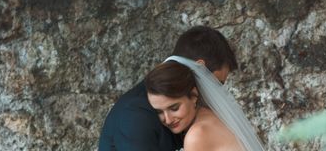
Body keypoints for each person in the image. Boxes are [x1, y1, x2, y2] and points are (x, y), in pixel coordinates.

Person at [98, 26, 238, 151]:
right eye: (217, 83)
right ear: (200, 68)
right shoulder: (135, 114)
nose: (217, 92)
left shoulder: (199, 117)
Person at [144, 56, 265, 151]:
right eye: (159, 111)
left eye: (174, 108)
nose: (168, 119)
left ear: (193, 95)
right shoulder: (213, 114)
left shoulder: (197, 135)